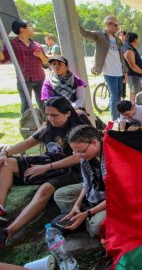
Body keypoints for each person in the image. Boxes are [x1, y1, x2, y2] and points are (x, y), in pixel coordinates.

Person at [0, 97, 84, 247]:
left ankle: (8, 232)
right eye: (47, 114)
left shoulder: (78, 130)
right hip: (48, 162)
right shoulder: (48, 127)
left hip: (71, 170)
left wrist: (46, 168)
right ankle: (0, 208)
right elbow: (27, 143)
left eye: (54, 115)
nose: (50, 118)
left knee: (45, 189)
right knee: (7, 163)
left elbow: (78, 157)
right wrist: (5, 153)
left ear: (68, 114)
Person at [53, 125, 106, 237]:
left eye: (81, 151)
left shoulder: (111, 159)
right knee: (59, 195)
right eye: (74, 152)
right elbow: (87, 183)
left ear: (94, 142)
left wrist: (87, 213)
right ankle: (79, 213)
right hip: (95, 192)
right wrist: (77, 203)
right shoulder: (85, 156)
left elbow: (117, 196)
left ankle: (85, 217)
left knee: (95, 227)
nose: (78, 156)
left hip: (113, 199)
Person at [79, 15, 127, 121]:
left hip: (119, 71)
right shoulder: (100, 35)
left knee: (118, 96)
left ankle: (119, 117)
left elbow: (121, 58)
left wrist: (125, 72)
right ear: (108, 24)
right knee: (114, 96)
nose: (117, 28)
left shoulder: (117, 40)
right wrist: (76, 22)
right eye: (116, 25)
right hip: (109, 72)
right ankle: (115, 119)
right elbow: (86, 34)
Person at [0, 19, 48, 116]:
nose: (32, 28)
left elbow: (46, 64)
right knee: (26, 105)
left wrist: (41, 56)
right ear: (22, 29)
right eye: (30, 26)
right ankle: (26, 128)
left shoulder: (36, 45)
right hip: (24, 80)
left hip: (39, 78)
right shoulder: (12, 44)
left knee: (43, 104)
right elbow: (2, 59)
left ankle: (47, 125)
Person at [123, 32, 142, 102]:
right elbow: (133, 66)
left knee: (136, 94)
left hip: (136, 76)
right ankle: (135, 109)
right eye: (138, 39)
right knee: (136, 95)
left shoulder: (130, 47)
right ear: (135, 39)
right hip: (133, 76)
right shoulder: (128, 50)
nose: (138, 41)